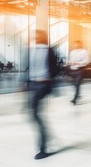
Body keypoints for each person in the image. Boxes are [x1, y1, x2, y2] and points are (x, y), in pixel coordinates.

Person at [29, 30, 58, 160]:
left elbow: (55, 68)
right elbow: (29, 67)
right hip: (33, 84)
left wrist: (48, 78)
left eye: (38, 36)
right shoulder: (32, 49)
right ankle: (45, 138)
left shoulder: (49, 50)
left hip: (43, 84)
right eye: (35, 36)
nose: (36, 38)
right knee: (34, 114)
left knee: (35, 113)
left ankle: (43, 147)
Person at [68, 40, 89, 105]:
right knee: (74, 84)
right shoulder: (72, 52)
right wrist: (70, 63)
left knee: (77, 84)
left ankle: (75, 99)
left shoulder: (84, 52)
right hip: (73, 69)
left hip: (80, 69)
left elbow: (86, 61)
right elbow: (70, 60)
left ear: (80, 44)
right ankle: (78, 94)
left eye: (77, 44)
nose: (76, 45)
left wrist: (78, 63)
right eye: (75, 44)